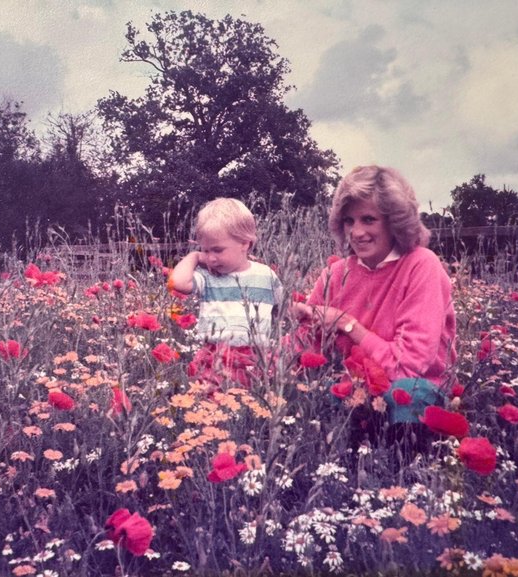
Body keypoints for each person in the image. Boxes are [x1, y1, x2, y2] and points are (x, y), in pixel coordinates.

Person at [292, 165, 457, 460]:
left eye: (368, 219)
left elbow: (409, 367)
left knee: (404, 393)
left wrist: (346, 324)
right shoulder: (335, 273)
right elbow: (305, 348)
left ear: (395, 222)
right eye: (349, 221)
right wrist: (249, 364)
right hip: (353, 390)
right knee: (303, 397)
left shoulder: (422, 266)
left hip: (411, 393)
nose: (357, 232)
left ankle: (408, 477)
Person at [169, 197, 282, 387]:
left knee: (250, 408)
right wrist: (195, 256)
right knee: (212, 409)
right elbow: (177, 282)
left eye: (218, 250)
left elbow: (283, 310)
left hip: (254, 359)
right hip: (214, 359)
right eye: (205, 250)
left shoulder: (266, 276)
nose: (211, 258)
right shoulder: (208, 277)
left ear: (245, 243)